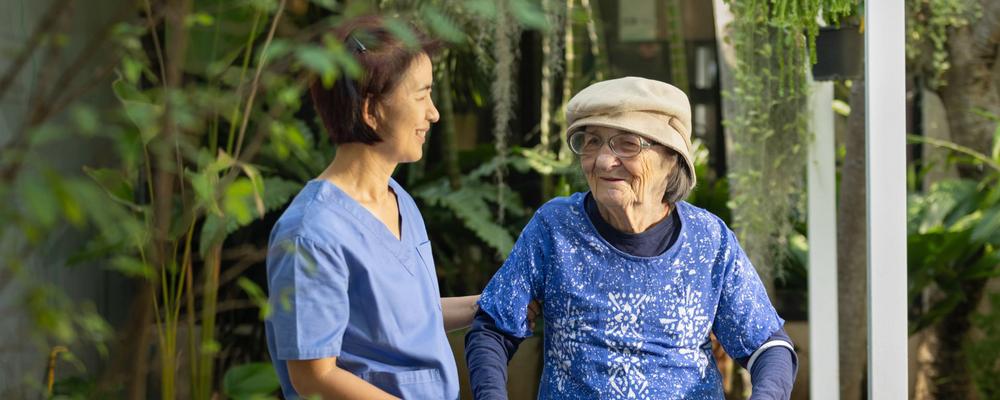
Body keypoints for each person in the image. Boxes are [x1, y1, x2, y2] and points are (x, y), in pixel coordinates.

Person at [465, 77, 798, 400]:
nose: (603, 160)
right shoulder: (555, 228)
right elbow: (493, 327)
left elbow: (767, 346)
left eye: (628, 143)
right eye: (591, 141)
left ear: (671, 159)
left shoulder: (709, 240)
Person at [264, 16, 537, 400]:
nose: (434, 113)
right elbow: (312, 376)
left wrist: (491, 304)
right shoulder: (311, 233)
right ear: (370, 110)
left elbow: (411, 315)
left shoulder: (399, 199)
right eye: (421, 95)